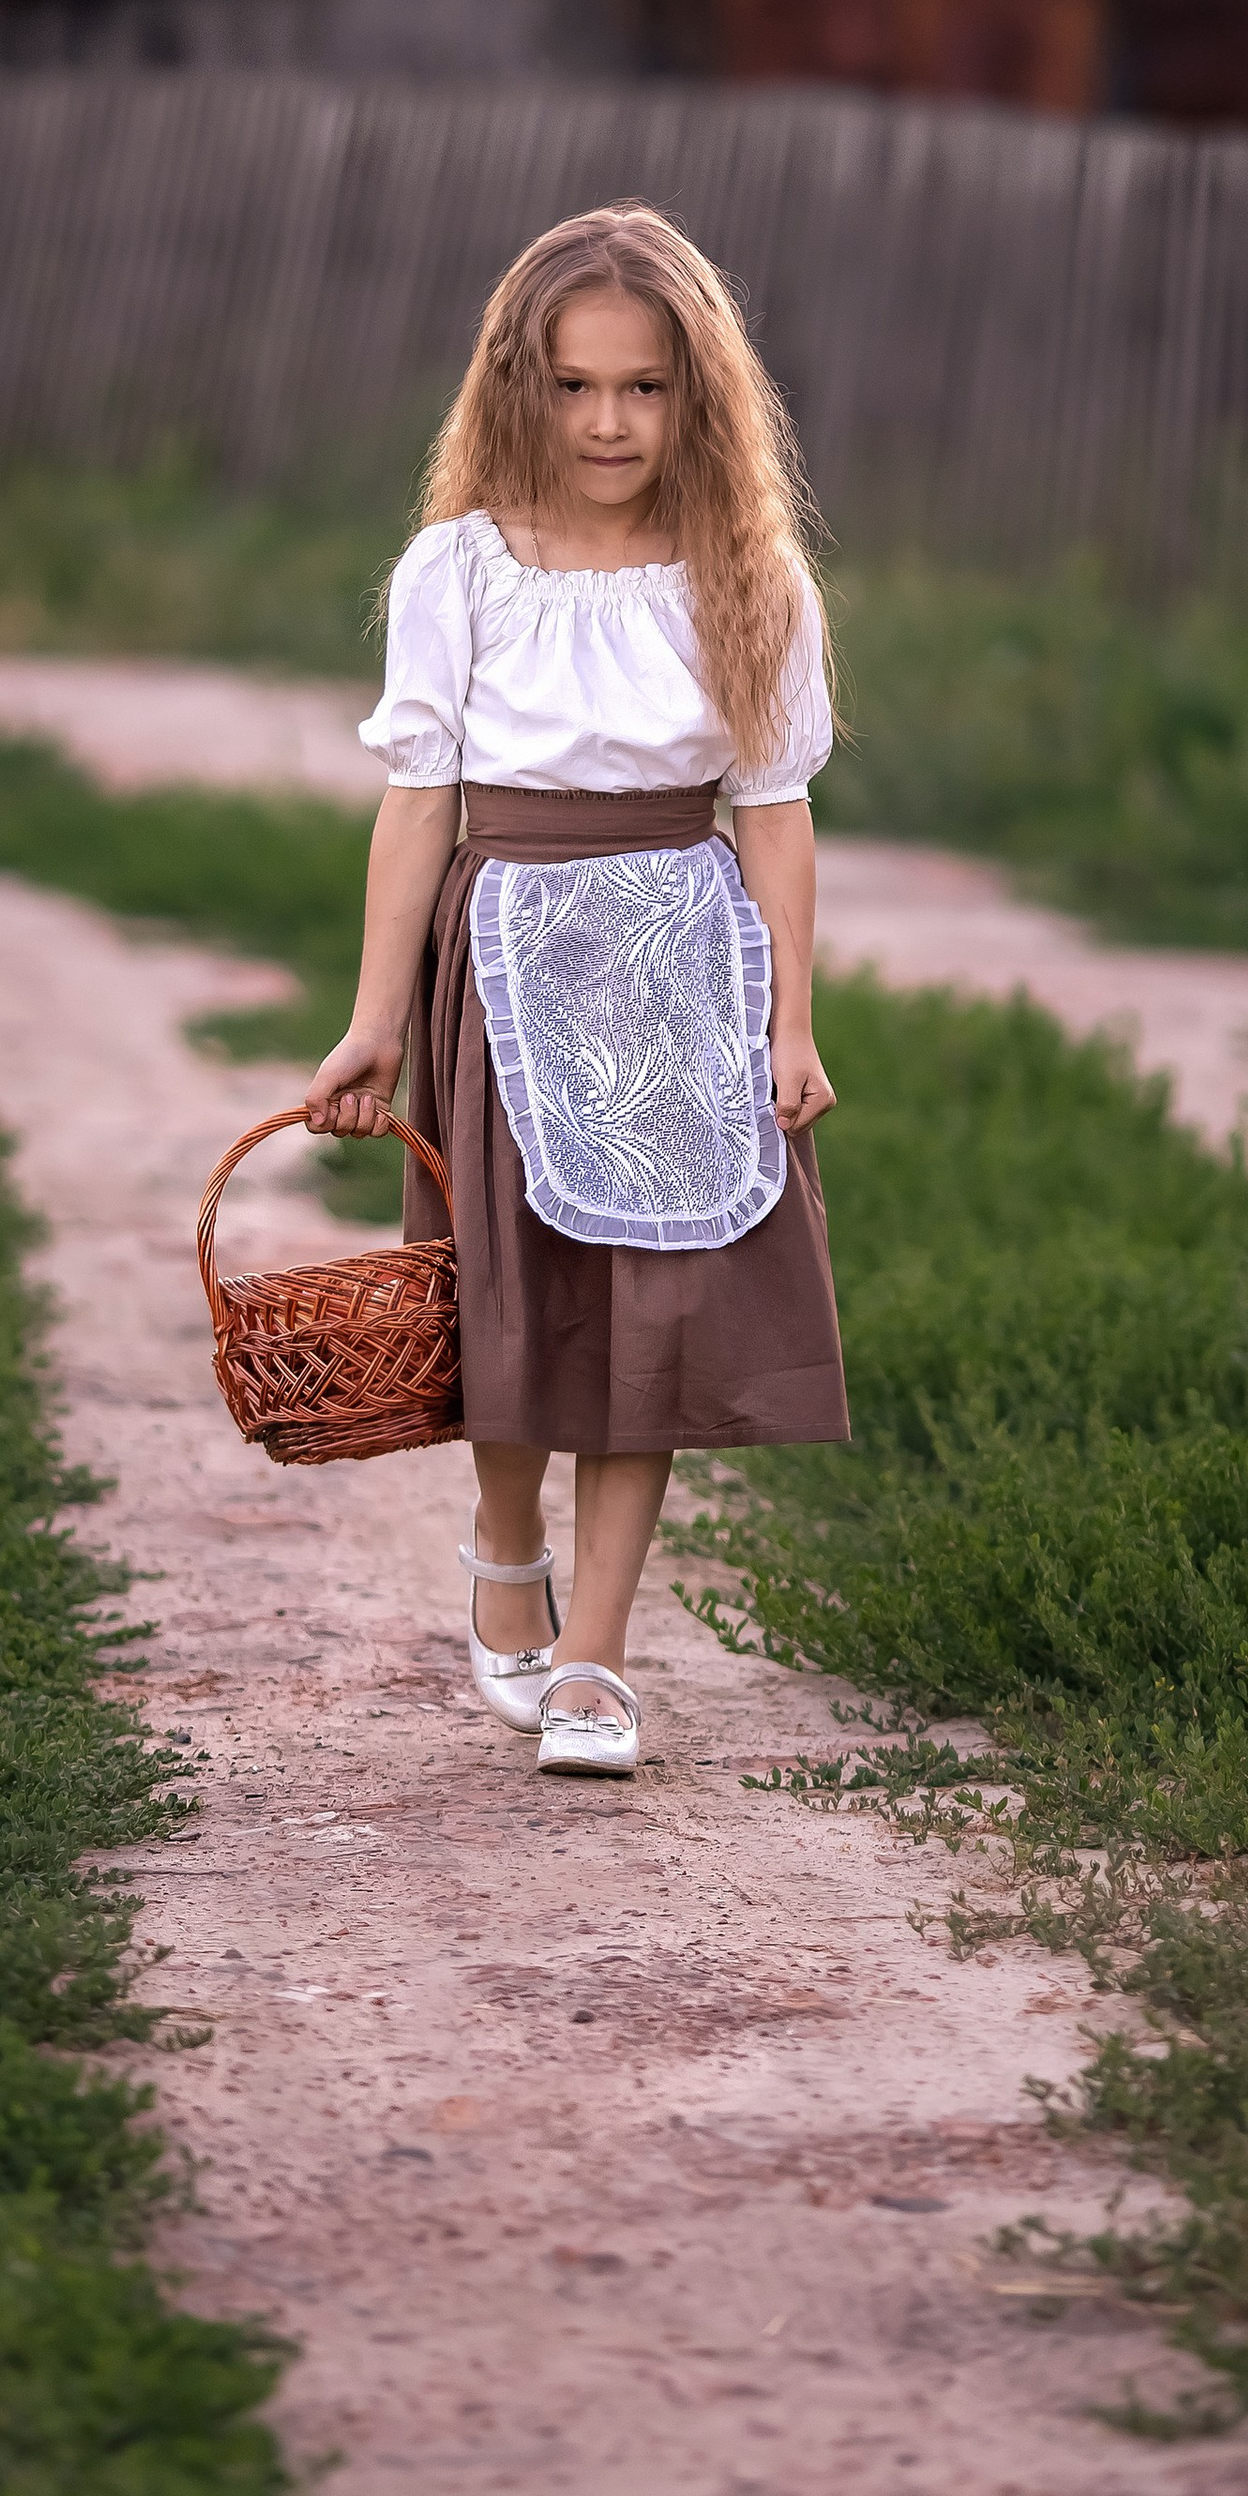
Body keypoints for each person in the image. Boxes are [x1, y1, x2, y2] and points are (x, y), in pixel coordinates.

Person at [304, 202, 850, 1778]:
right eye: (575, 385)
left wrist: (789, 1019)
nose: (609, 422)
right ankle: (503, 1532)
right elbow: (419, 793)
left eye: (645, 388)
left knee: (652, 1311)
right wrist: (374, 1017)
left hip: (685, 954)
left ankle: (598, 1658)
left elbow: (776, 809)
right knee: (515, 1293)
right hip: (508, 953)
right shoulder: (458, 570)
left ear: (699, 396)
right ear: (515, 388)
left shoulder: (751, 579)